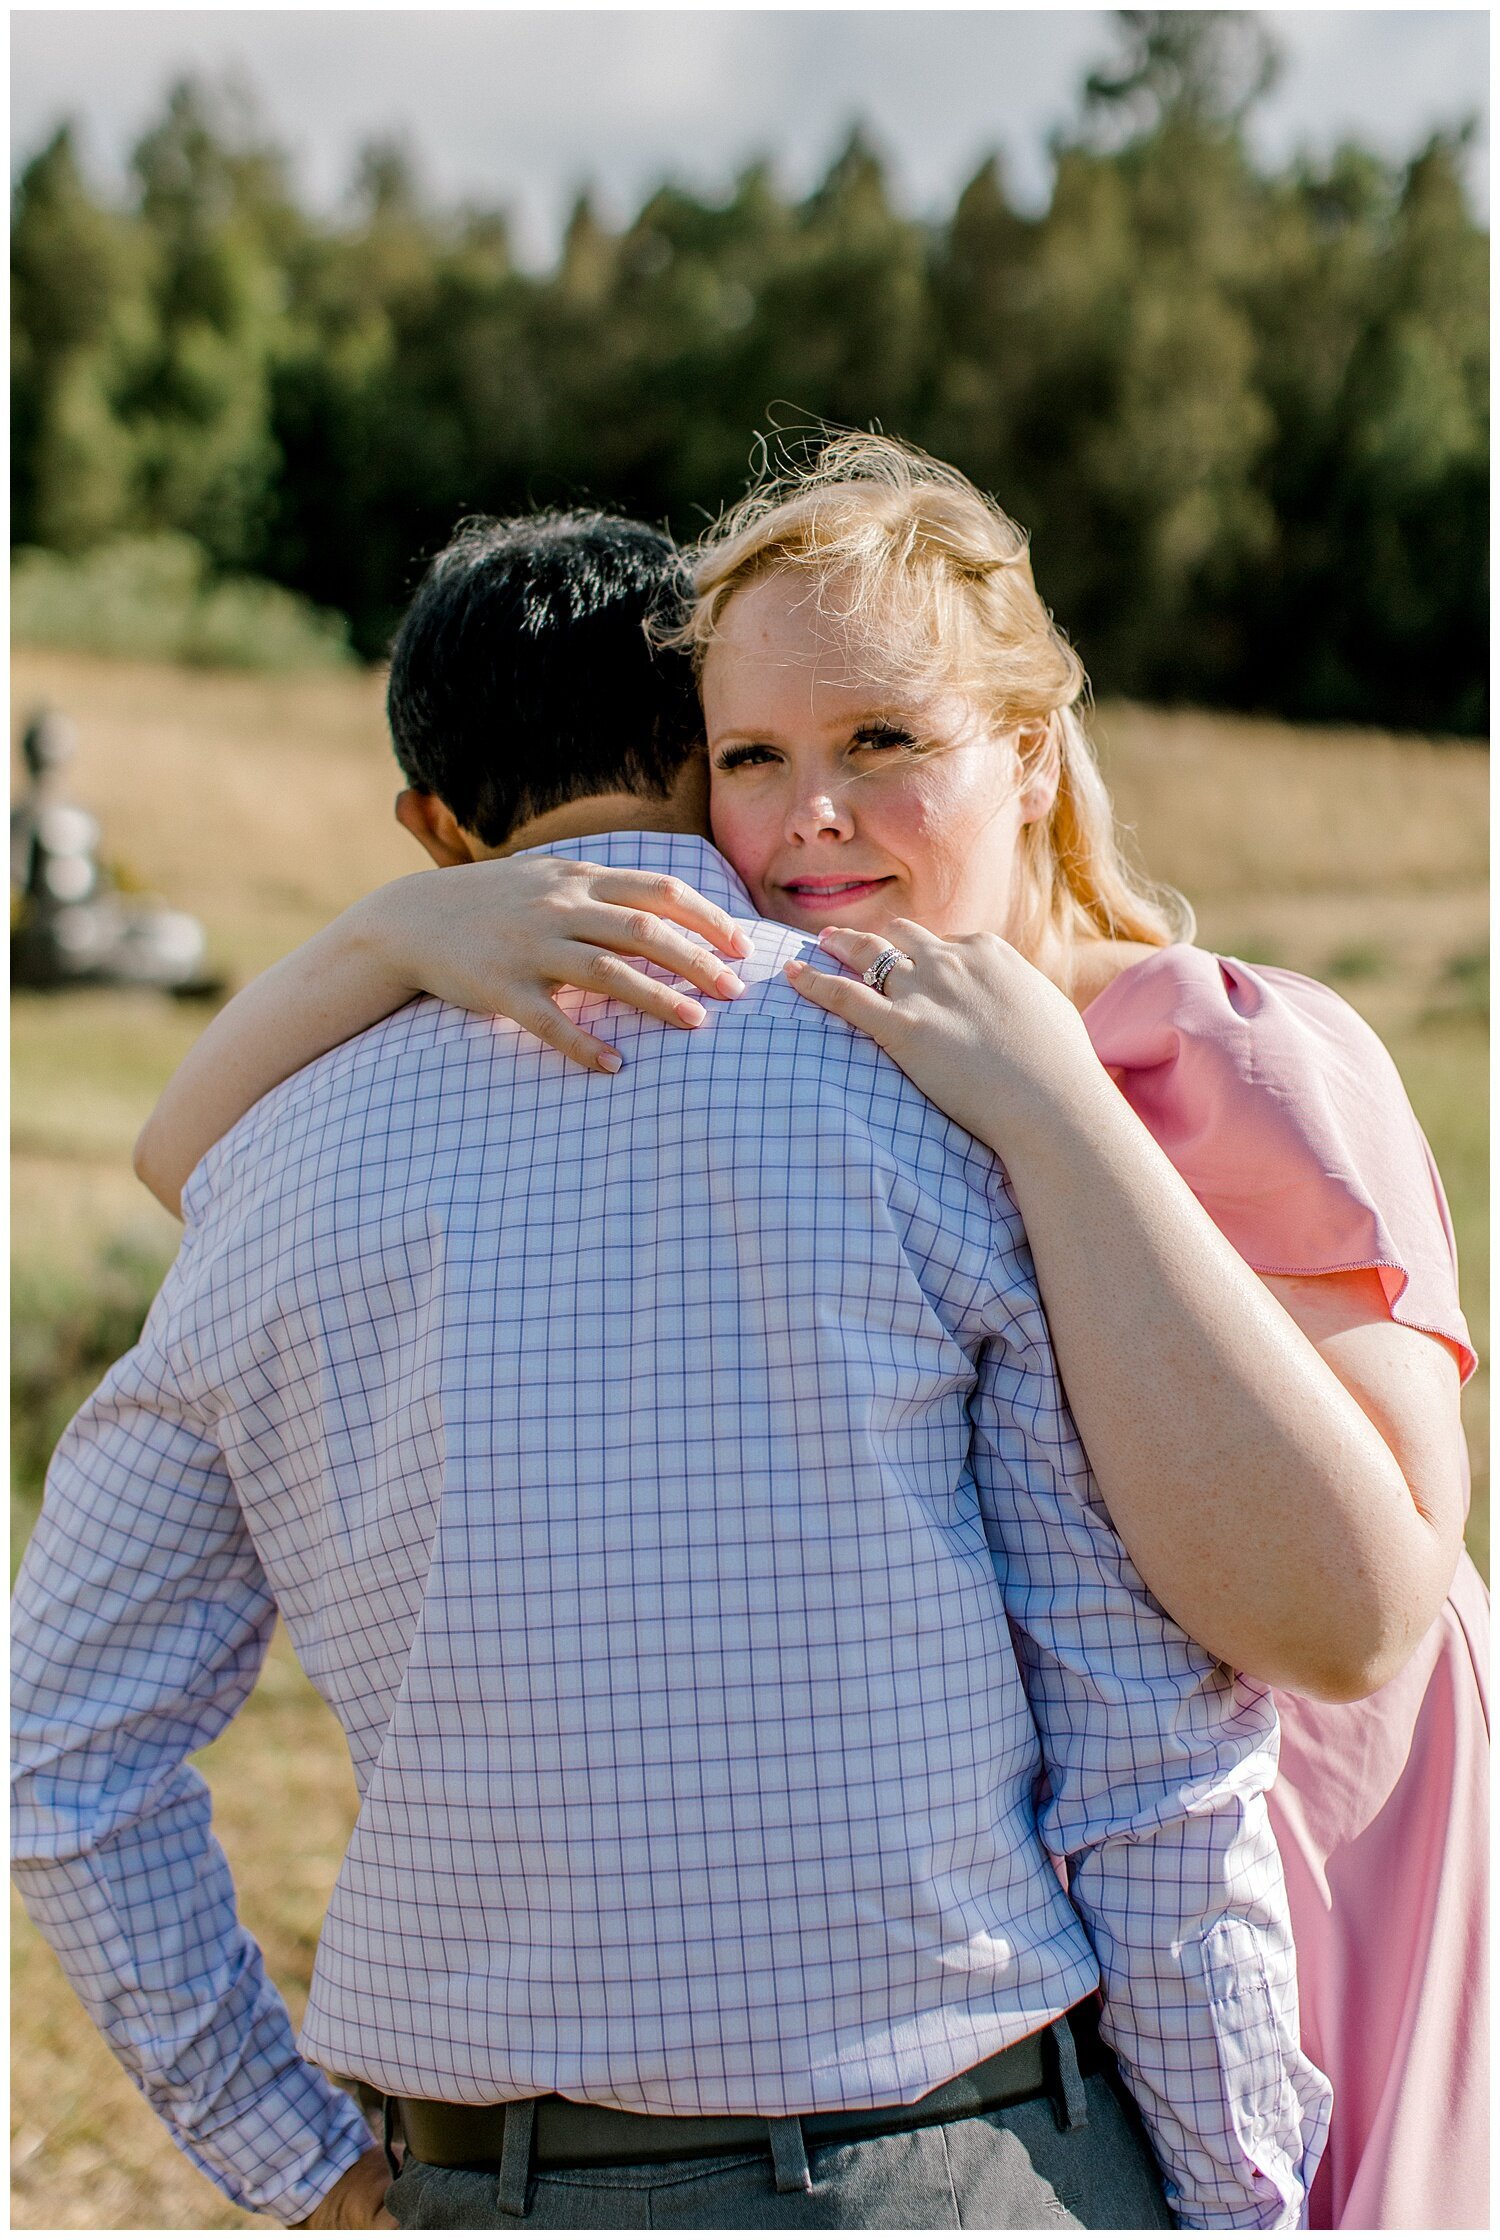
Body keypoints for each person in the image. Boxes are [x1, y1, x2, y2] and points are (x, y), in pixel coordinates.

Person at [133, 437, 1486, 2231]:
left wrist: (1055, 1109)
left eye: (883, 744)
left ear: (1028, 745)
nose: (806, 818)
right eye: (750, 760)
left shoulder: (1236, 1053)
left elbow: (1353, 1621)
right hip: (1068, 1939)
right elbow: (184, 1163)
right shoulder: (836, 1064)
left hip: (1316, 1889)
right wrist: (397, 931)